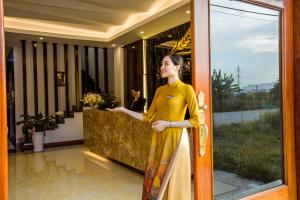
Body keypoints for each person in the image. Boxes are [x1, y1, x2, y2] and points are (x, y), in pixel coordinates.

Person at [107, 54, 200, 200]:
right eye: (161, 64)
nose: (162, 67)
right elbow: (147, 117)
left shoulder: (186, 89)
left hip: (175, 140)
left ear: (177, 67)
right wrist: (124, 110)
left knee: (171, 179)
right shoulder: (160, 90)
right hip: (159, 138)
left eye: (166, 64)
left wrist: (167, 124)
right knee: (156, 179)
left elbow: (196, 120)